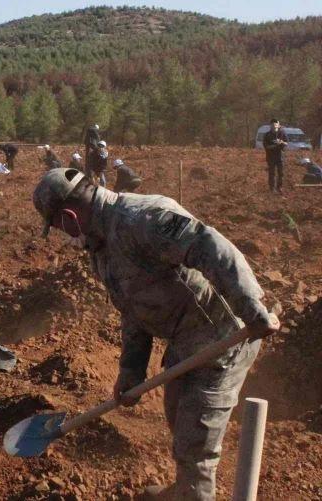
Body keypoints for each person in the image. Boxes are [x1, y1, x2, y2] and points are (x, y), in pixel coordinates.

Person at [32, 168, 280, 500]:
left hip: (222, 340)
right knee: (178, 417)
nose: (64, 234)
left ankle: (193, 494)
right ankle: (185, 488)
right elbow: (133, 311)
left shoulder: (142, 218)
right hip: (185, 343)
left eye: (59, 226)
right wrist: (131, 370)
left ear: (69, 216)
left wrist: (249, 306)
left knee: (195, 444)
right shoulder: (101, 248)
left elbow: (211, 246)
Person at [263, 118, 288, 194]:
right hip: (271, 157)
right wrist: (275, 145)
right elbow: (266, 146)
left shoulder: (282, 133)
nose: (275, 126)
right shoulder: (267, 135)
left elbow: (287, 143)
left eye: (276, 124)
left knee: (281, 173)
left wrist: (281, 142)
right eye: (273, 124)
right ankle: (272, 189)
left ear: (278, 125)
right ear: (270, 126)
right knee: (272, 173)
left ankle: (279, 188)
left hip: (280, 156)